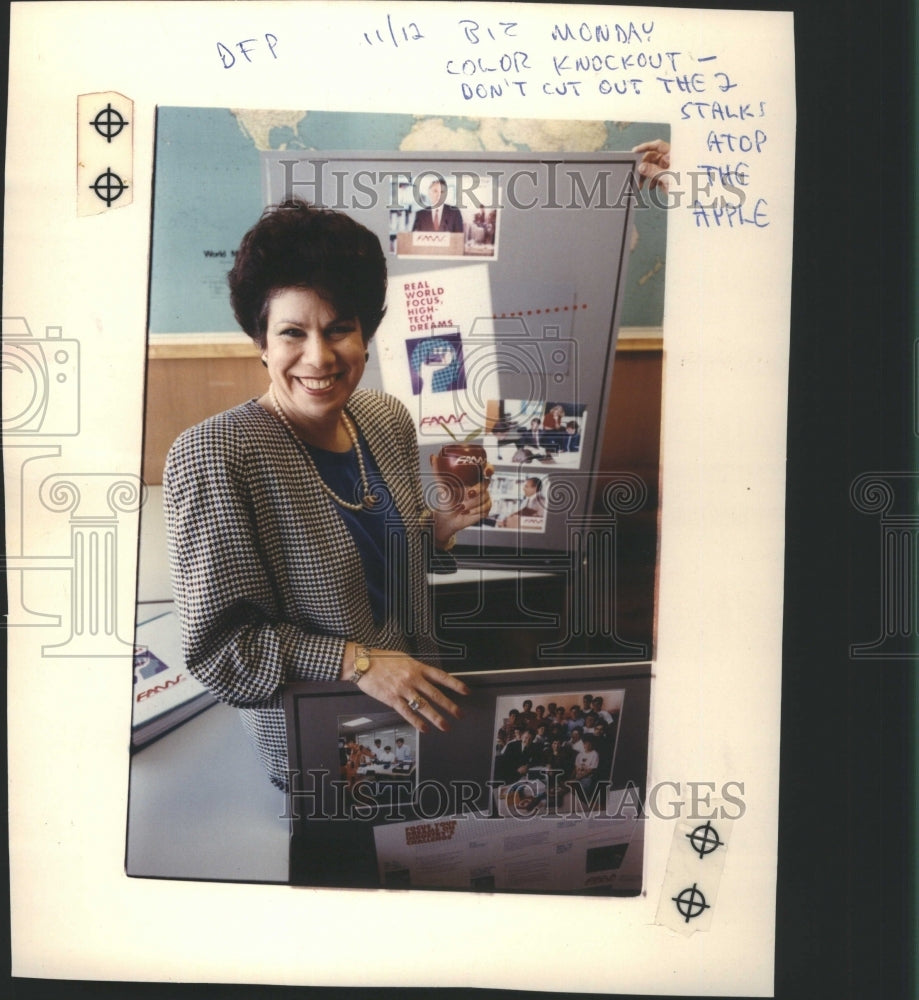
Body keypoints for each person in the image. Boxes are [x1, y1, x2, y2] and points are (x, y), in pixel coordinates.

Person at [164, 199, 491, 791]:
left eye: (339, 328)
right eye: (293, 332)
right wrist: (359, 663)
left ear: (366, 335)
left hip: (420, 699)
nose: (319, 357)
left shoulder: (385, 418)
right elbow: (222, 651)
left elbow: (383, 568)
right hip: (315, 736)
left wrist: (436, 533)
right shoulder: (215, 455)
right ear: (261, 341)